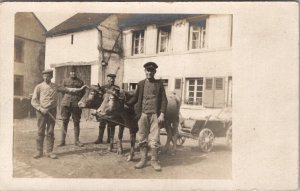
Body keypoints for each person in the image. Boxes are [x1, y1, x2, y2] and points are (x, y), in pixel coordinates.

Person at [31, 69, 86, 159]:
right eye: (44, 76)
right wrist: (40, 108)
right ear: (42, 77)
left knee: (50, 132)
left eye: (48, 76)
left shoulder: (55, 86)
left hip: (52, 111)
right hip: (41, 112)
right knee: (40, 132)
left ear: (51, 77)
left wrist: (80, 89)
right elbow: (33, 101)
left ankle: (49, 152)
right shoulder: (39, 87)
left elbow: (68, 89)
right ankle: (39, 151)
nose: (46, 77)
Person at [126, 62, 168, 171]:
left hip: (155, 116)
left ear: (155, 72)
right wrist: (126, 104)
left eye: (151, 71)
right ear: (145, 71)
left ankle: (154, 161)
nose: (149, 72)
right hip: (143, 115)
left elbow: (164, 100)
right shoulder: (140, 84)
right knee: (142, 138)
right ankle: (143, 160)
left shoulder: (159, 84)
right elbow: (135, 98)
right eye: (147, 70)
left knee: (154, 139)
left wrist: (162, 113)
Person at [57, 67, 85, 147]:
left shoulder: (80, 82)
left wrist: (79, 100)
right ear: (70, 73)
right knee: (64, 122)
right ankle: (62, 141)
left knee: (76, 122)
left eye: (74, 72)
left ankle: (77, 141)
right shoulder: (65, 81)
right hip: (66, 103)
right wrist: (67, 97)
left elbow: (83, 93)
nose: (73, 73)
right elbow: (61, 90)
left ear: (77, 73)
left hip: (76, 104)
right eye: (72, 72)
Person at [94, 74, 120, 144]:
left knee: (111, 124)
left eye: (113, 79)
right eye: (110, 79)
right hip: (104, 108)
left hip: (111, 109)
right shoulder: (103, 87)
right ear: (108, 79)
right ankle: (100, 139)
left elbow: (118, 98)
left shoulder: (117, 88)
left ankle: (110, 139)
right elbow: (100, 98)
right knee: (102, 123)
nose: (112, 80)